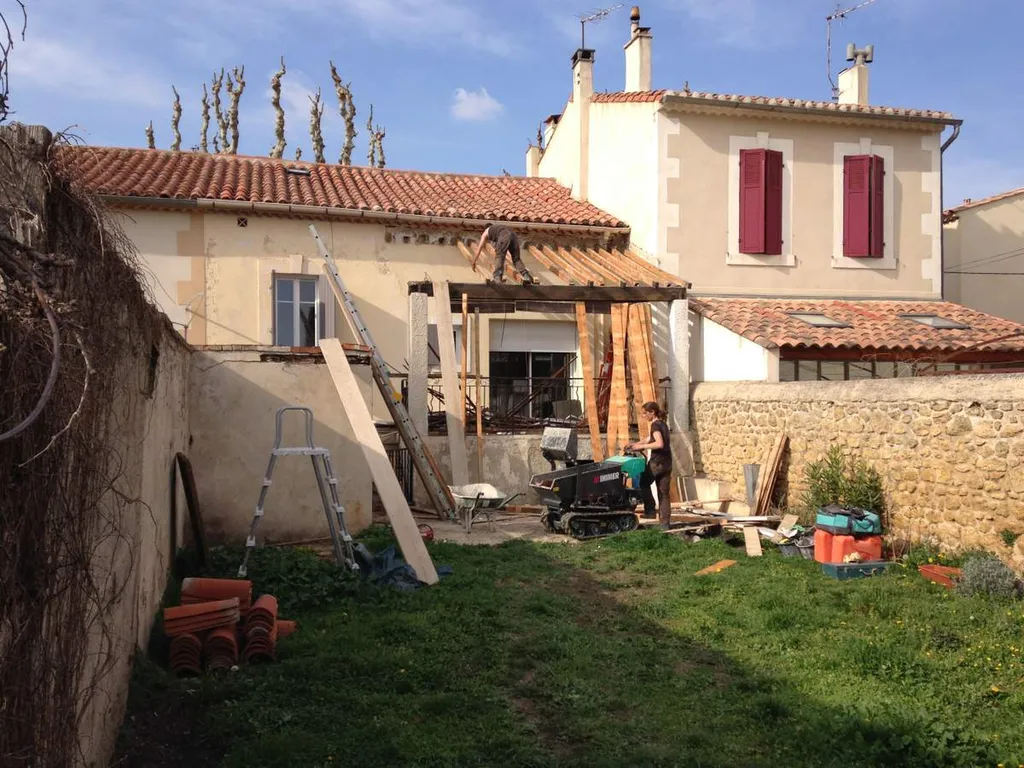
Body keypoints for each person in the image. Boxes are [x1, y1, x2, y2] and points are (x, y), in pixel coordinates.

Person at [626, 401, 673, 530]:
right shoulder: (662, 424)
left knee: (643, 483)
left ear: (652, 412)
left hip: (657, 463)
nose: (644, 416)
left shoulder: (655, 425)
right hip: (667, 463)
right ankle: (665, 524)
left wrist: (640, 447)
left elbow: (659, 444)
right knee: (664, 493)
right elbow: (650, 439)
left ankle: (650, 511)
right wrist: (635, 444)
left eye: (645, 413)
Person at [471, 223, 536, 284]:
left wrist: (473, 262)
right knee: (516, 259)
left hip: (504, 236)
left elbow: (479, 249)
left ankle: (497, 278)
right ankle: (526, 276)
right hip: (514, 236)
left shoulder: (486, 232)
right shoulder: (498, 229)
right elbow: (501, 245)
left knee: (499, 256)